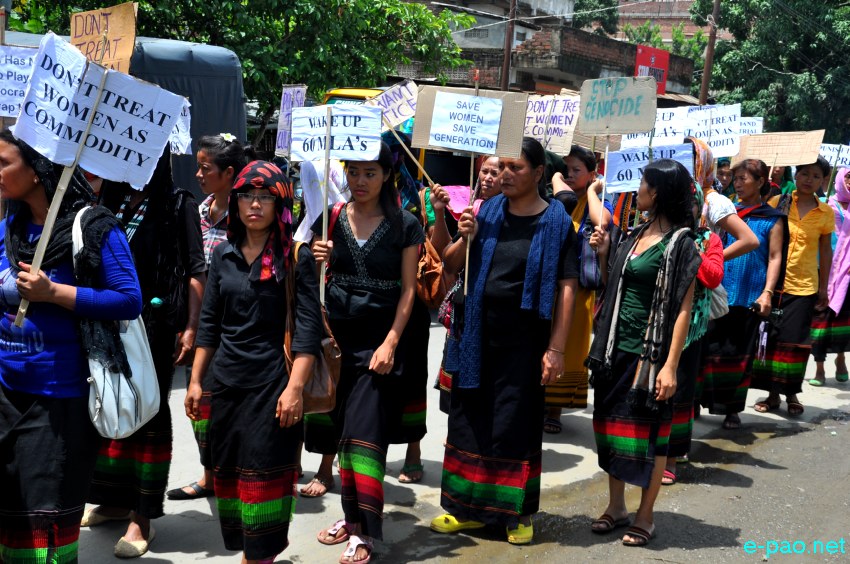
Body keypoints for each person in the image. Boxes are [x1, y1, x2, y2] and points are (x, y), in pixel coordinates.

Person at [0, 130, 142, 563]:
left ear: (39, 169)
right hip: (7, 392)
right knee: (12, 516)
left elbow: (128, 299)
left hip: (59, 401)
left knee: (46, 526)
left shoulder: (94, 227)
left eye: (4, 162)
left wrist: (54, 293)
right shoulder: (10, 225)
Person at [430, 137, 579, 545]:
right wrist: (464, 235)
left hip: (526, 344)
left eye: (516, 167)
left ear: (537, 173)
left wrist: (557, 348)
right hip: (476, 334)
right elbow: (451, 265)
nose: (507, 174)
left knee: (515, 425)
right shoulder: (485, 212)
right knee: (470, 421)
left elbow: (568, 287)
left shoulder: (557, 222)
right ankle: (467, 511)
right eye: (504, 166)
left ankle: (516, 514)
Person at [186, 160, 322, 564]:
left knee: (264, 481)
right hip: (226, 386)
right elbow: (209, 325)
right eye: (247, 196)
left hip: (273, 388)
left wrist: (295, 389)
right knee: (230, 478)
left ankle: (259, 558)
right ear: (237, 202)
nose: (255, 205)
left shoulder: (295, 257)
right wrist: (195, 381)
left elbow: (308, 332)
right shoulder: (224, 255)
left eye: (265, 197)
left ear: (281, 204)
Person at [84, 150, 206, 558]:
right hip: (107, 322)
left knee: (148, 413)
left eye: (144, 156)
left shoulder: (178, 203)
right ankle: (114, 500)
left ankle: (143, 515)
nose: (134, 163)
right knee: (111, 405)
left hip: (155, 325)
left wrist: (190, 326)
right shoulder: (107, 202)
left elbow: (194, 269)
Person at [312, 142, 424, 563]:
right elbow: (303, 262)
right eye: (353, 172)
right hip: (335, 346)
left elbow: (410, 290)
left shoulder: (405, 224)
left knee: (365, 434)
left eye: (370, 173)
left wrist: (391, 342)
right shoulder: (332, 217)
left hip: (380, 346)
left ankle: (364, 532)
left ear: (386, 176)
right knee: (344, 434)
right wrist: (313, 253)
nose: (360, 181)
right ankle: (351, 516)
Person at [587, 159, 701, 547]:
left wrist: (670, 365)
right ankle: (616, 506)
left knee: (650, 437)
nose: (637, 189)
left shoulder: (683, 243)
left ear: (659, 193)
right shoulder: (635, 233)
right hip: (614, 350)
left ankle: (645, 515)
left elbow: (684, 308)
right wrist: (604, 253)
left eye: (643, 184)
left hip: (650, 358)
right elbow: (611, 285)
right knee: (611, 430)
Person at [167, 134, 256, 501]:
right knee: (199, 401)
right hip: (199, 327)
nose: (199, 174)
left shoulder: (249, 219)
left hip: (239, 328)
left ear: (229, 173)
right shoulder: (196, 212)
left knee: (238, 406)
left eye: (206, 168)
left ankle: (243, 475)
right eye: (198, 166)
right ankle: (210, 476)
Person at [699, 159, 786, 429]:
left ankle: (732, 410)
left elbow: (774, 257)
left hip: (749, 293)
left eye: (743, 178)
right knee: (706, 350)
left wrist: (768, 293)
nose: (736, 183)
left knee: (738, 355)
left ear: (761, 182)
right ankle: (696, 403)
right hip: (719, 290)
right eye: (734, 178)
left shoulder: (773, 218)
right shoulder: (726, 213)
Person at [752, 157, 834, 415]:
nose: (810, 179)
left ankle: (792, 395)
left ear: (823, 181)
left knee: (795, 342)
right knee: (772, 339)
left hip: (804, 286)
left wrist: (824, 288)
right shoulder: (779, 203)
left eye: (816, 176)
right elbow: (764, 239)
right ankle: (772, 394)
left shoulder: (825, 213)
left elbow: (825, 251)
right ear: (796, 176)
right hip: (774, 284)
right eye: (805, 174)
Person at [543, 145, 613, 434]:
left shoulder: (597, 201)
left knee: (568, 346)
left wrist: (594, 192)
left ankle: (554, 409)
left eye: (577, 170)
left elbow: (603, 222)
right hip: (548, 281)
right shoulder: (552, 198)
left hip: (578, 288)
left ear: (592, 175)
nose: (570, 175)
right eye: (566, 169)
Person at [663, 184, 724, 484]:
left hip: (690, 329)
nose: (686, 208)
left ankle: (671, 457)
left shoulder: (708, 239)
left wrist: (692, 253)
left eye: (691, 203)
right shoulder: (656, 233)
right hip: (654, 325)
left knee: (680, 392)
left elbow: (713, 277)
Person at [810, 167, 850, 386]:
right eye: (848, 178)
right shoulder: (826, 205)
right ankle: (819, 367)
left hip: (847, 274)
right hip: (822, 269)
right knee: (820, 320)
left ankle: (841, 359)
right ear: (839, 181)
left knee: (842, 321)